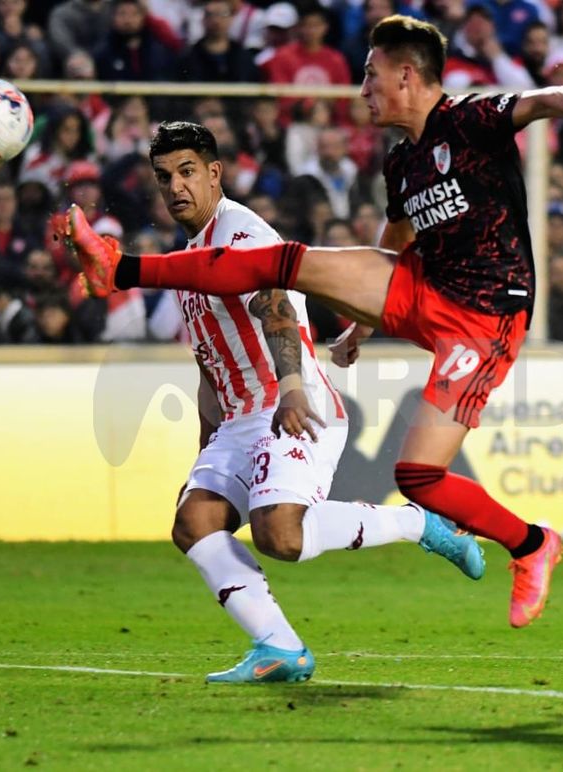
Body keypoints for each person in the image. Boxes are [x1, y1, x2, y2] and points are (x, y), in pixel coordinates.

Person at [66, 14, 563, 629]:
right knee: (285, 262)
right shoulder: (403, 161)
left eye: (370, 76)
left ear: (406, 75)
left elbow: (543, 97)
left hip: (485, 314)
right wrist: (368, 315)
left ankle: (531, 545)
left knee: (418, 476)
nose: (361, 89)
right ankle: (119, 269)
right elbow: (397, 235)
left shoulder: (469, 120)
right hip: (423, 287)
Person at [124, 121, 486, 684]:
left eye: (188, 172)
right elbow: (208, 362)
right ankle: (279, 648)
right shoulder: (190, 258)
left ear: (215, 173)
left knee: (281, 536)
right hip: (239, 418)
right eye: (165, 177)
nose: (176, 187)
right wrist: (206, 443)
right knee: (194, 523)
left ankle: (421, 525)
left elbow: (277, 308)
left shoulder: (241, 233)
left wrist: (292, 388)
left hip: (291, 401)